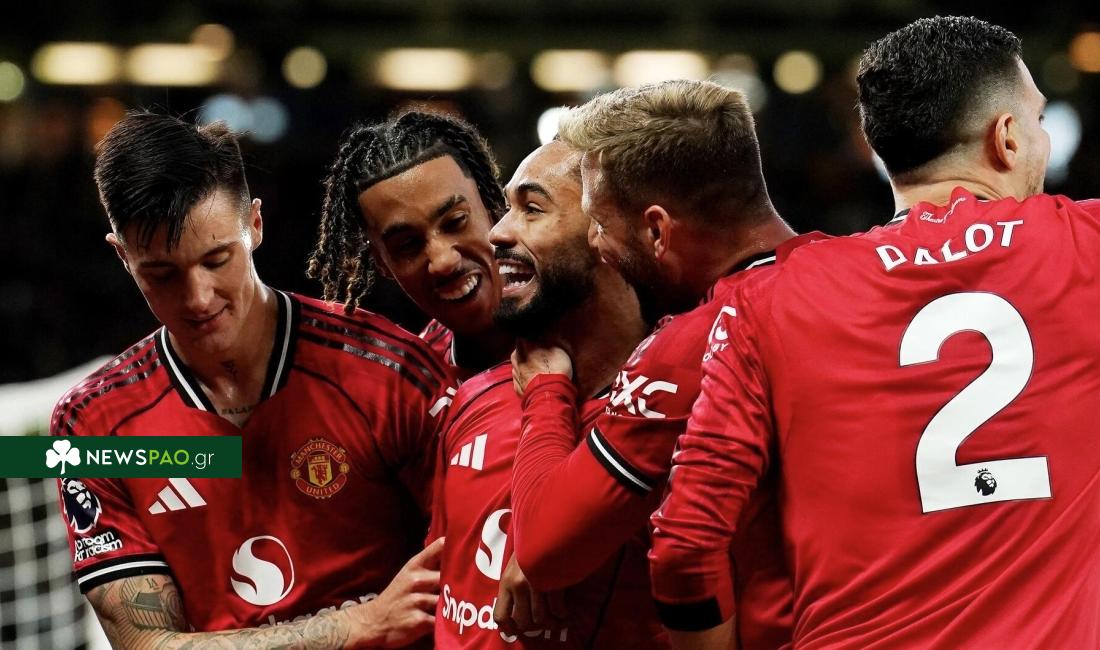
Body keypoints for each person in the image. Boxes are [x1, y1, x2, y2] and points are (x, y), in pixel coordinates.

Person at [650, 16, 1100, 648]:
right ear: (1007, 138)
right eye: (1040, 121)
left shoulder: (770, 299)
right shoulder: (1086, 248)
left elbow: (685, 545)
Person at [53, 111, 453, 648]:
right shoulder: (92, 427)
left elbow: (478, 572)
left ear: (255, 225)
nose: (198, 298)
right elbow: (146, 645)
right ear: (123, 256)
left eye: (217, 259)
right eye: (162, 274)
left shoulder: (391, 371)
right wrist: (358, 625)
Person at [506, 80, 810, 649]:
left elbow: (545, 548)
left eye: (600, 223)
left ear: (656, 230)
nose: (597, 243)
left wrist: (546, 392)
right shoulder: (865, 275)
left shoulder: (696, 343)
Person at [431, 138, 666, 648]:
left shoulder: (673, 417)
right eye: (506, 208)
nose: (496, 232)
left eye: (531, 209)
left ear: (610, 233)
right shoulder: (471, 397)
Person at [311, 110, 513, 379]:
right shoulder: (414, 387)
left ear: (492, 207)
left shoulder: (571, 324)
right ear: (382, 262)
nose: (443, 262)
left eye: (455, 222)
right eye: (408, 245)